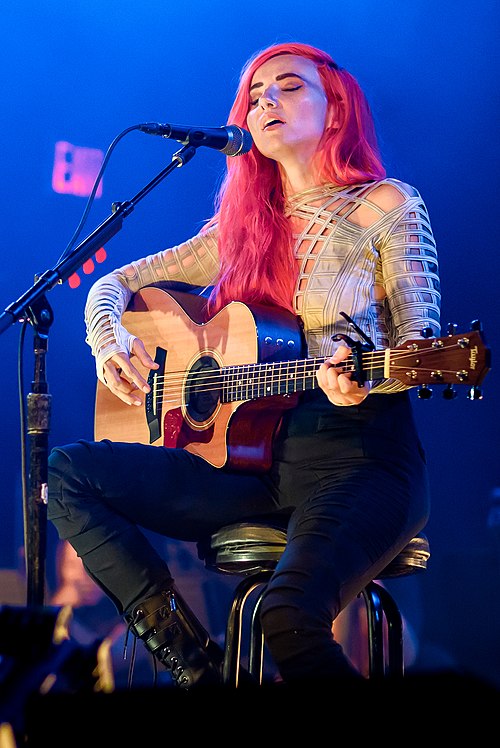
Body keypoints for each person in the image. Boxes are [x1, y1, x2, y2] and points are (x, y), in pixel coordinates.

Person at [47, 41, 441, 690]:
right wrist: (109, 342)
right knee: (68, 473)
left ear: (335, 108)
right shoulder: (239, 231)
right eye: (256, 95)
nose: (265, 102)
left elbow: (420, 345)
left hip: (361, 459)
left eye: (288, 87)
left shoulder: (386, 205)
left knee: (287, 616)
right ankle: (192, 665)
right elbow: (110, 284)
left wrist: (370, 374)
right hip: (254, 465)